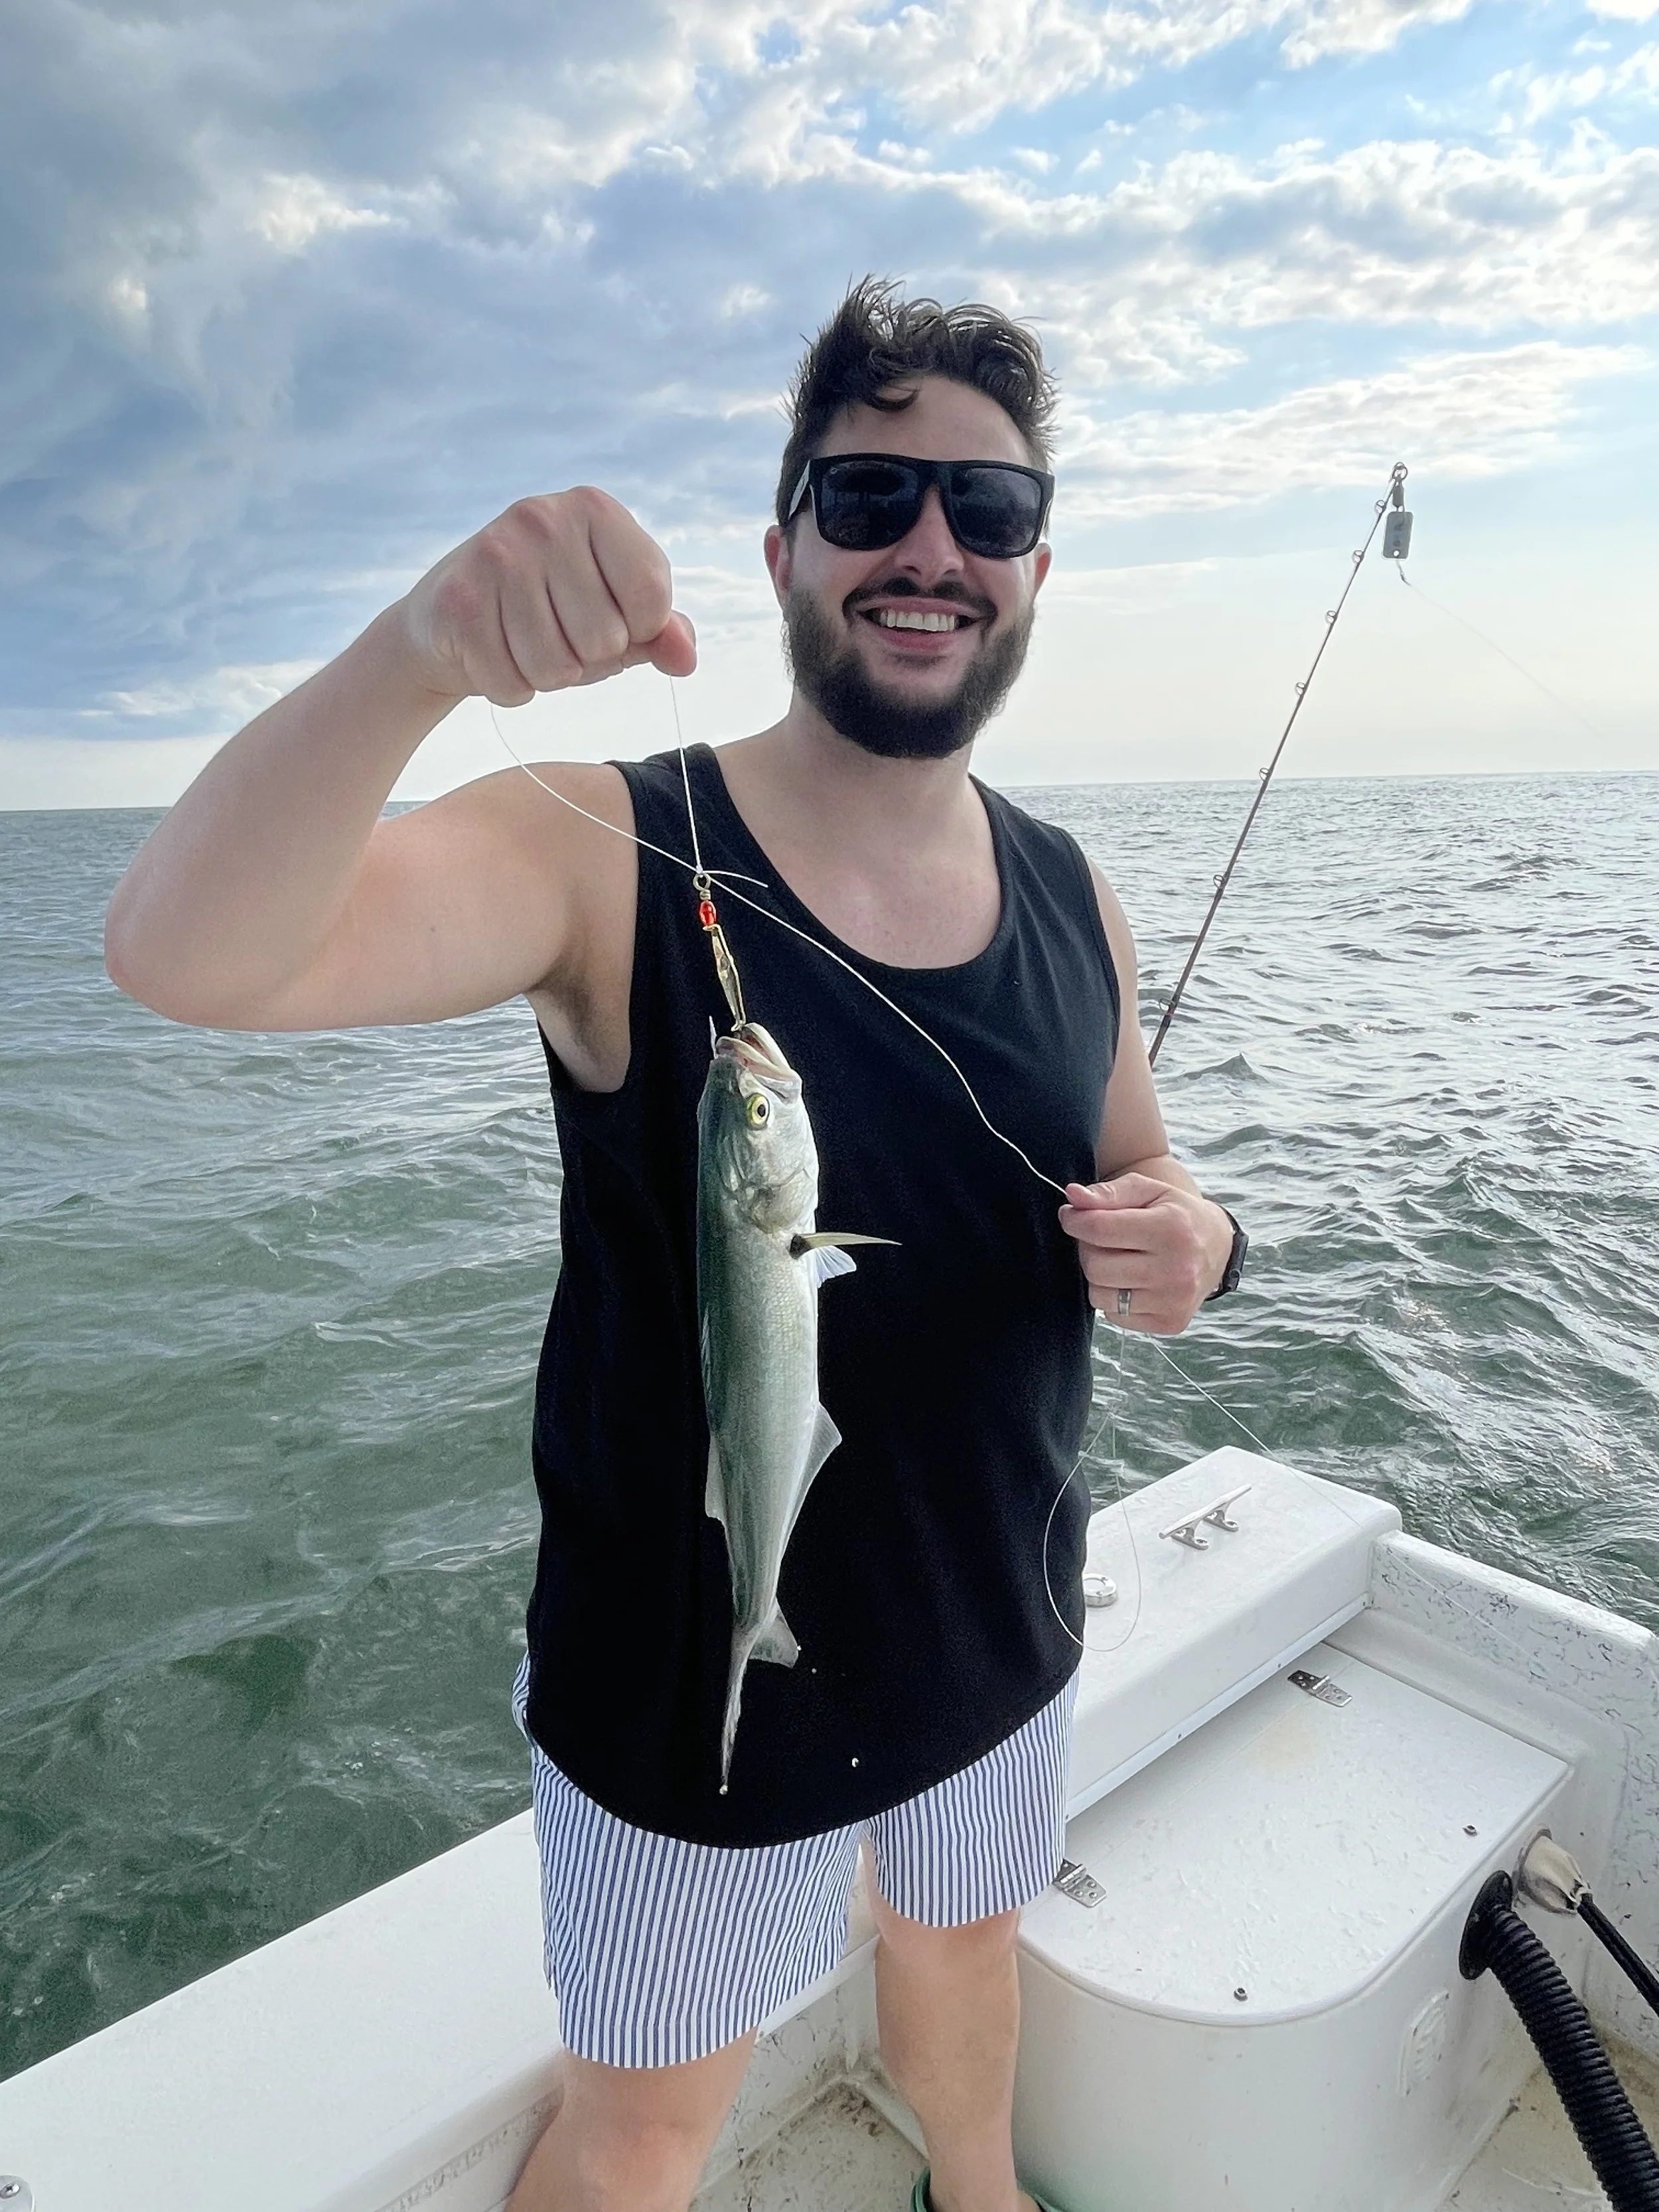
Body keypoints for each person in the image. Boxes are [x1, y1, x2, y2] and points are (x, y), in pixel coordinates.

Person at [105, 278, 1245, 2212]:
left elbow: (1144, 1164)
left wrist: (1201, 1233)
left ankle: (976, 2192)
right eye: (868, 492)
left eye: (982, 506)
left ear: (1036, 561)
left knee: (963, 1955)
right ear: (784, 536)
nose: (926, 548)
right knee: (642, 2126)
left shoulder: (1074, 889)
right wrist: (423, 651)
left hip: (1003, 1627)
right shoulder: (600, 844)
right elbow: (190, 951)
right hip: (685, 1690)